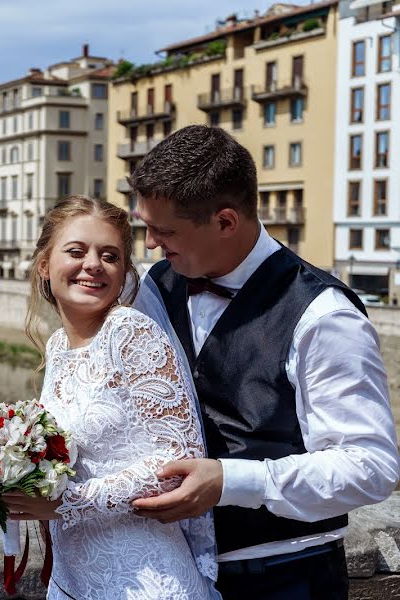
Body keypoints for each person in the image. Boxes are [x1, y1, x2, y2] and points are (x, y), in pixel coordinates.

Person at [127, 125, 400, 600]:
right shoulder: (153, 287)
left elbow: (371, 467)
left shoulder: (323, 315)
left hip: (287, 574)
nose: (150, 243)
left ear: (226, 222)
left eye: (164, 230)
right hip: (172, 570)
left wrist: (232, 480)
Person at [0, 195, 220, 599]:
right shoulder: (59, 346)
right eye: (76, 251)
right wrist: (14, 480)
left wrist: (67, 503)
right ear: (45, 264)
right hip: (74, 577)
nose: (93, 264)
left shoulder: (130, 332)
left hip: (143, 578)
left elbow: (179, 461)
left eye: (110, 256)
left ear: (124, 273)